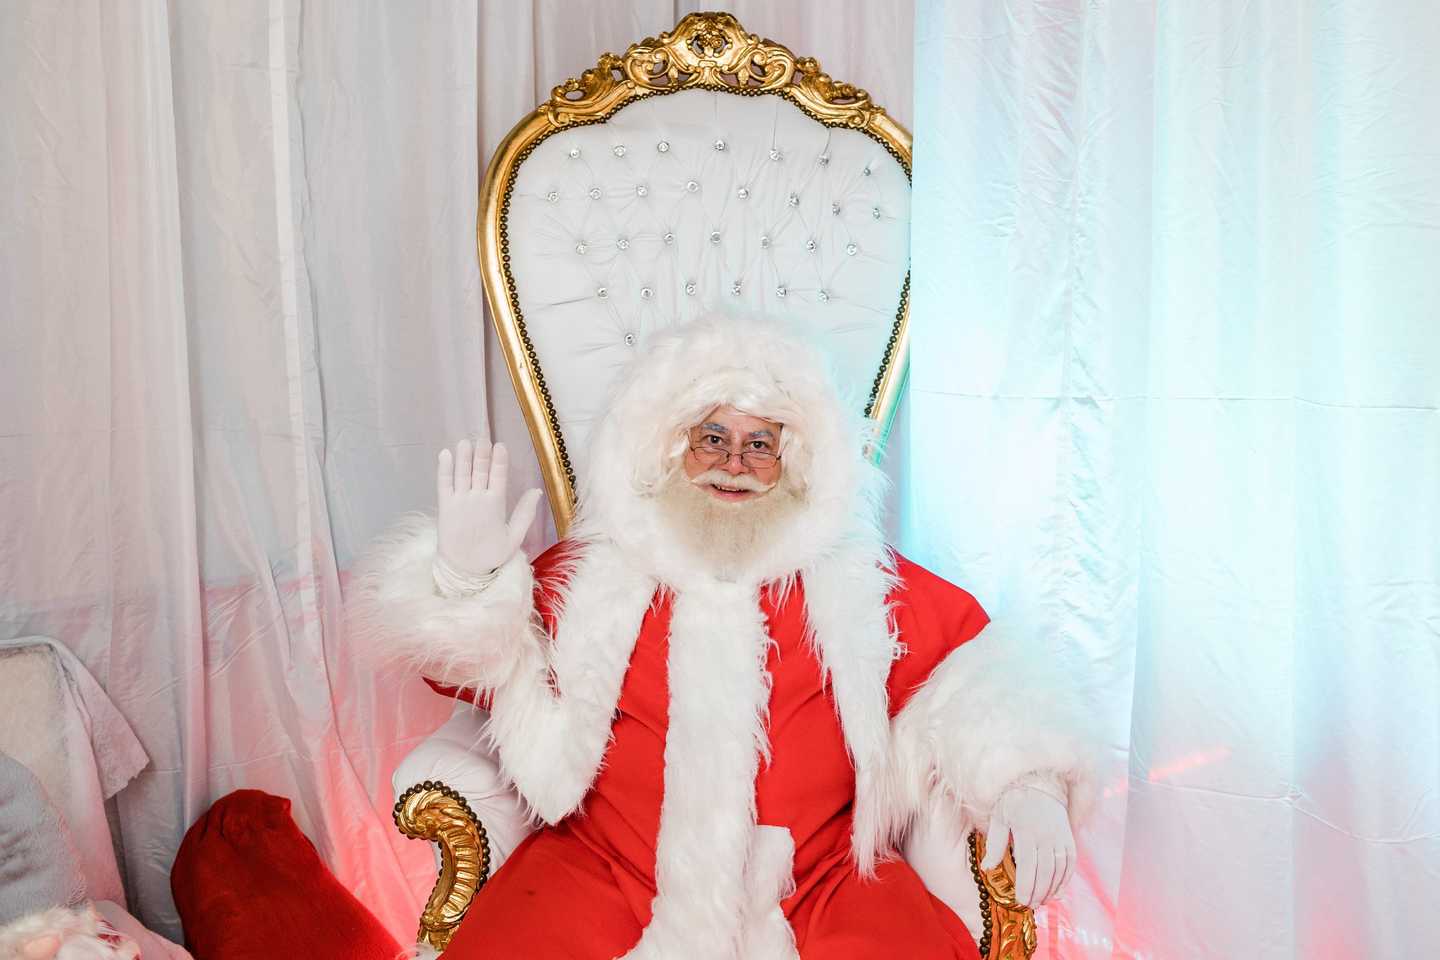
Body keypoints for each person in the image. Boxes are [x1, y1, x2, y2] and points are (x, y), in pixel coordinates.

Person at [348, 317, 1098, 959]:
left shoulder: (859, 581)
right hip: (609, 867)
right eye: (713, 438)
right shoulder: (596, 571)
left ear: (796, 461)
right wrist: (469, 580)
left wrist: (1028, 784)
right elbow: (468, 671)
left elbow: (974, 671)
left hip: (820, 880)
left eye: (760, 444)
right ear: (670, 447)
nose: (735, 465)